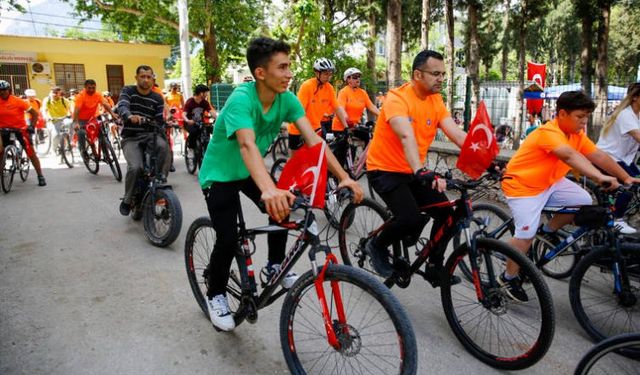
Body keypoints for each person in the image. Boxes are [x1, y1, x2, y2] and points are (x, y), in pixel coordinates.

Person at [198, 37, 363, 331]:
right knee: (227, 238)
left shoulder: (286, 99)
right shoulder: (240, 100)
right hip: (219, 175)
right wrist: (269, 189)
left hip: (251, 171)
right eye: (282, 67)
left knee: (284, 211)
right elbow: (247, 145)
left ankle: (273, 265)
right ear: (261, 73)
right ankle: (216, 294)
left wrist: (344, 177)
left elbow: (316, 143)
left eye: (290, 67)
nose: (289, 74)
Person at [501, 90, 640, 302]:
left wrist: (625, 178)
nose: (584, 122)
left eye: (586, 117)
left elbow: (598, 155)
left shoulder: (576, 135)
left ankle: (546, 232)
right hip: (523, 187)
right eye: (580, 117)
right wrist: (600, 177)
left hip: (550, 183)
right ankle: (508, 277)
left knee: (582, 200)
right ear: (562, 114)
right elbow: (570, 155)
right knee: (525, 234)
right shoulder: (548, 132)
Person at [365, 50, 467, 281]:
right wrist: (421, 170)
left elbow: (456, 134)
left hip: (412, 171)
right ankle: (377, 245)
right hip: (385, 170)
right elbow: (406, 135)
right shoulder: (397, 99)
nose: (441, 78)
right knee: (409, 218)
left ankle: (434, 266)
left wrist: (488, 161)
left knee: (448, 214)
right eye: (435, 73)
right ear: (417, 74)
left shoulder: (436, 100)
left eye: (443, 74)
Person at [116, 65, 168, 216]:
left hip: (150, 135)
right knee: (135, 167)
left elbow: (158, 120)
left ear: (153, 79)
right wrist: (128, 116)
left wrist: (165, 123)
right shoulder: (128, 91)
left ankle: (159, 180)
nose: (146, 80)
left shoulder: (157, 97)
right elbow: (123, 105)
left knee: (163, 147)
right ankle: (127, 199)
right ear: (136, 78)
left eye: (149, 77)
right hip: (131, 137)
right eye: (142, 77)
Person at [596, 82, 640, 234]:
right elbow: (638, 136)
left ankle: (614, 206)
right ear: (635, 98)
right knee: (631, 183)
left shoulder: (637, 114)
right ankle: (617, 218)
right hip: (608, 157)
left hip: (623, 158)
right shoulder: (626, 115)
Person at [286, 58, 349, 150]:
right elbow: (300, 111)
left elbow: (337, 108)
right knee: (295, 161)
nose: (328, 76)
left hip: (316, 128)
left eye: (330, 74)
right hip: (298, 129)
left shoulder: (329, 88)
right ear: (317, 73)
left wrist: (346, 127)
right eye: (325, 74)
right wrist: (304, 131)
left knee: (319, 157)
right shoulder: (307, 86)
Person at [0, 80, 47, 186]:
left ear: (9, 90)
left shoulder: (17, 101)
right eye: (0, 90)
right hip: (3, 130)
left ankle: (40, 175)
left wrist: (32, 126)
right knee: (1, 152)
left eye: (4, 90)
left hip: (20, 129)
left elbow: (34, 113)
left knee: (30, 152)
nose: (2, 92)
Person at [331, 67, 380, 167]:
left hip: (354, 126)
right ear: (348, 79)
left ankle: (367, 162)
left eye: (359, 77)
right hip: (341, 126)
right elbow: (341, 109)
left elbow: (372, 107)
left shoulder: (363, 93)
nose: (358, 79)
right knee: (342, 152)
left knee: (368, 136)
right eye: (354, 77)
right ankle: (339, 174)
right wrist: (346, 119)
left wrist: (384, 116)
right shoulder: (343, 92)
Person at [72, 79, 117, 153]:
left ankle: (106, 154)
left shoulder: (98, 94)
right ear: (85, 87)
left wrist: (112, 113)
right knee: (81, 133)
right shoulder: (80, 96)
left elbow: (105, 104)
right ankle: (83, 151)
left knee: (101, 133)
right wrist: (76, 122)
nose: (91, 90)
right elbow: (77, 110)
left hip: (92, 118)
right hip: (80, 119)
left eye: (93, 88)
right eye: (89, 88)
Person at [183, 84, 216, 152]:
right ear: (201, 93)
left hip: (200, 123)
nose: (207, 94)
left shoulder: (205, 102)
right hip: (189, 123)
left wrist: (218, 119)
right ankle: (191, 149)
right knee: (194, 132)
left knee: (211, 130)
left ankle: (207, 149)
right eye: (206, 93)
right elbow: (183, 114)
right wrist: (187, 120)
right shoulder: (190, 102)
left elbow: (211, 112)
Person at [42, 86, 71, 153]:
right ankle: (54, 150)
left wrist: (71, 115)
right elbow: (44, 110)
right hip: (53, 121)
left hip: (63, 119)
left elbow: (71, 108)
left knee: (69, 130)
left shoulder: (64, 100)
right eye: (53, 92)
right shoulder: (47, 100)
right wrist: (46, 116)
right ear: (50, 93)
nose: (54, 94)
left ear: (59, 94)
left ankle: (68, 145)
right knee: (55, 135)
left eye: (56, 93)